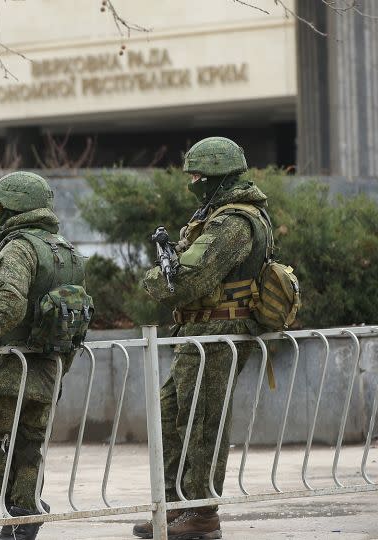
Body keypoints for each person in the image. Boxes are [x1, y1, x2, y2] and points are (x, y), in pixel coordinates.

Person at [132, 136, 274, 539]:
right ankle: (176, 507)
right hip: (198, 333)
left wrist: (154, 280)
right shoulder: (213, 213)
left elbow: (190, 278)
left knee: (203, 420)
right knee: (172, 412)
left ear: (217, 177)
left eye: (197, 175)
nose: (192, 181)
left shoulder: (235, 222)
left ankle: (202, 511)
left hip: (219, 333)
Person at [0, 171, 90, 540]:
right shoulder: (65, 250)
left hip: (7, 367)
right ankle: (21, 525)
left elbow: (9, 301)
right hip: (48, 368)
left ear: (13, 207)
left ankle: (23, 509)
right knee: (28, 448)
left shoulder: (19, 247)